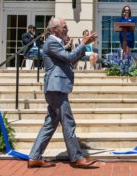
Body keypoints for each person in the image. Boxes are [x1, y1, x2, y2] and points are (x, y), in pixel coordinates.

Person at [27, 17, 98, 169]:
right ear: (54, 30)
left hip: (56, 87)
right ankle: (77, 158)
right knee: (68, 122)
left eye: (66, 26)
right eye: (64, 27)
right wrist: (83, 44)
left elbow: (69, 61)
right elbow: (69, 57)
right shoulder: (51, 42)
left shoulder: (56, 43)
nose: (67, 29)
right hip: (56, 87)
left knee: (50, 123)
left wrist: (83, 46)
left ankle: (34, 157)